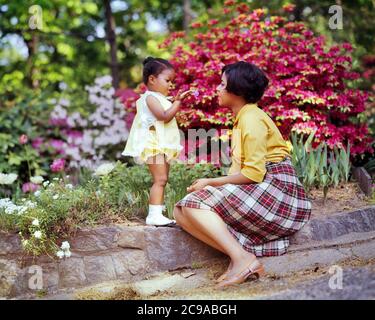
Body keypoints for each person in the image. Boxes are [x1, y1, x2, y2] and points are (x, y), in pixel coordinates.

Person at [173, 61, 312, 288]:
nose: (217, 89)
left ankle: (243, 259)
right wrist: (212, 187)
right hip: (263, 185)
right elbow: (238, 172)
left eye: (222, 84)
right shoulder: (241, 120)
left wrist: (211, 181)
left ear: (237, 90)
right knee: (180, 211)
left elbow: (255, 174)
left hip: (279, 189)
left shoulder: (252, 118)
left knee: (193, 204)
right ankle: (240, 256)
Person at [123, 57, 192, 226]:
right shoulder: (150, 98)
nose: (171, 85)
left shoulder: (160, 99)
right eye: (167, 80)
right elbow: (164, 117)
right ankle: (153, 215)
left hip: (159, 145)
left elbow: (167, 117)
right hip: (152, 146)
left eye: (172, 81)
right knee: (160, 179)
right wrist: (178, 102)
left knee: (162, 179)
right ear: (152, 79)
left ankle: (157, 214)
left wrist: (176, 108)